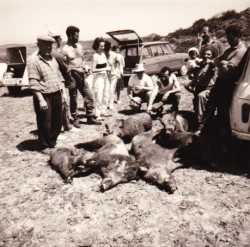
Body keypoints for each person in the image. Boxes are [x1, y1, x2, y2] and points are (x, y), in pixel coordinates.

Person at [202, 25, 247, 139]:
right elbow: (217, 61)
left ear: (238, 37)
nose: (229, 40)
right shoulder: (229, 49)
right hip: (220, 82)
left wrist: (222, 63)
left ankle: (224, 133)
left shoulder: (242, 51)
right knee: (211, 104)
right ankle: (207, 128)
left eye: (231, 38)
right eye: (228, 38)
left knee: (224, 109)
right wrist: (219, 62)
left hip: (229, 84)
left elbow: (228, 67)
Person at [28, 35, 67, 153]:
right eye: (46, 45)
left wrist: (63, 93)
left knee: (57, 120)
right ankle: (44, 145)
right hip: (44, 95)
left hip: (56, 93)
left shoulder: (53, 59)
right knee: (45, 121)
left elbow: (59, 77)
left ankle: (52, 141)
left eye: (51, 45)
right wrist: (40, 99)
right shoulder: (34, 61)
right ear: (39, 45)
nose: (49, 47)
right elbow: (33, 82)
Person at [62, 26, 101, 127]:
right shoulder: (65, 49)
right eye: (76, 36)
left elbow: (82, 59)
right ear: (69, 36)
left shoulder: (79, 46)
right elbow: (64, 65)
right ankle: (75, 118)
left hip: (82, 74)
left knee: (89, 95)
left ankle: (90, 116)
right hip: (72, 75)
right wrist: (68, 77)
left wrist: (86, 67)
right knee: (73, 98)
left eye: (78, 35)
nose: (77, 37)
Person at [49, 32, 72, 131]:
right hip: (58, 81)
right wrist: (69, 80)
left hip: (50, 82)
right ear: (57, 40)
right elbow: (65, 69)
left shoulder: (45, 52)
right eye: (60, 39)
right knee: (63, 104)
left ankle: (61, 126)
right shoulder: (56, 53)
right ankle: (65, 126)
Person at [190, 48, 218, 129]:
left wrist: (211, 63)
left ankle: (200, 124)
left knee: (200, 97)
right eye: (205, 54)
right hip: (199, 86)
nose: (206, 56)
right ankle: (199, 119)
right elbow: (197, 76)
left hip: (209, 88)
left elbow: (213, 67)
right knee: (196, 102)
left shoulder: (213, 64)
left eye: (209, 54)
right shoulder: (200, 64)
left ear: (212, 56)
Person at [91, 37, 110, 120]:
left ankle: (103, 111)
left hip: (105, 76)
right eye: (101, 46)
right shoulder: (95, 56)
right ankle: (97, 114)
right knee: (98, 96)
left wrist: (108, 68)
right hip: (98, 78)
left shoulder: (103, 54)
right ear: (96, 46)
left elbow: (106, 65)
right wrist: (104, 69)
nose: (103, 48)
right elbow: (93, 69)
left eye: (103, 46)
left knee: (106, 94)